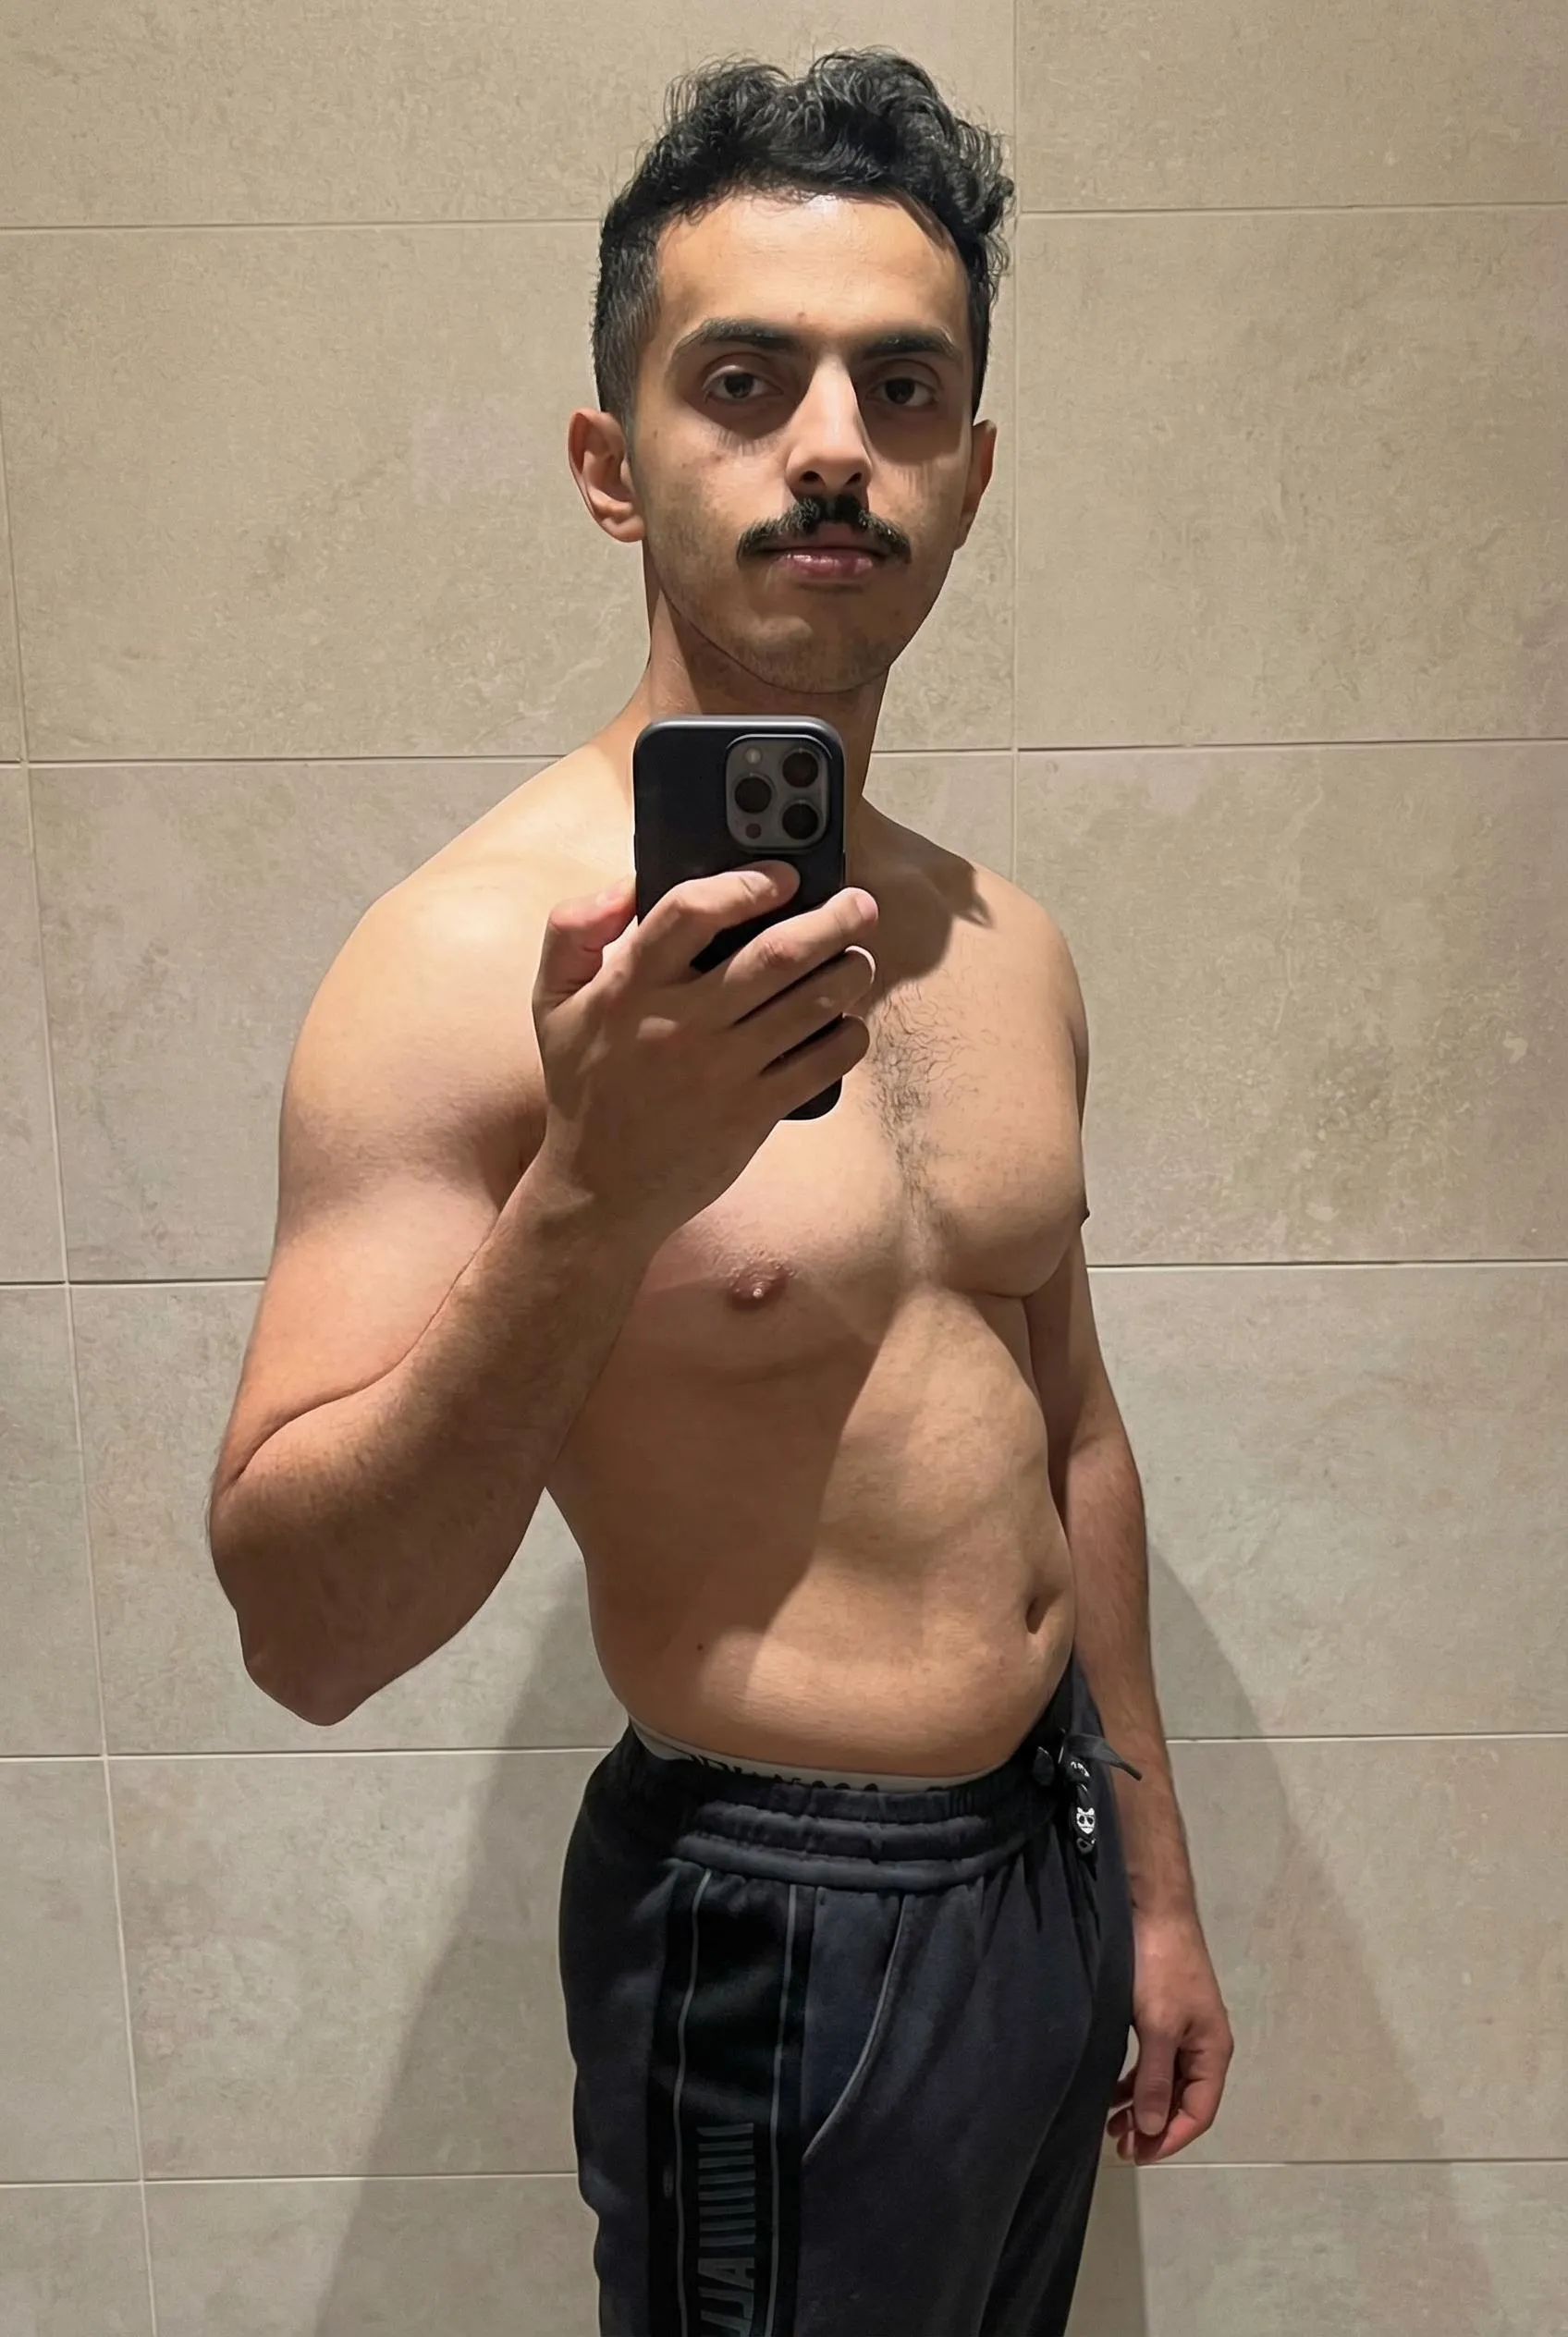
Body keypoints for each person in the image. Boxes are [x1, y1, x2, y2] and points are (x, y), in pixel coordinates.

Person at [207, 47, 1232, 2336]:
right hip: (778, 1925)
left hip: (1044, 1865)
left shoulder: (1005, 942)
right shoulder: (466, 965)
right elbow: (304, 1628)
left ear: (968, 471)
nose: (831, 444)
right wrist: (598, 1190)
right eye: (744, 383)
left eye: (901, 386)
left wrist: (1151, 1878)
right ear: (613, 464)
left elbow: (1066, 1420)